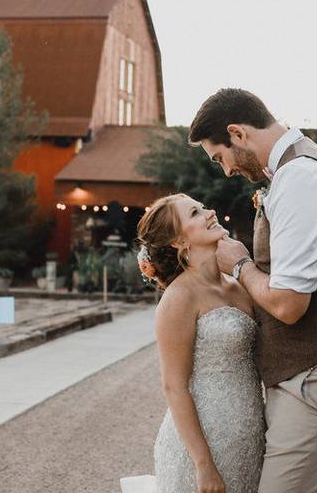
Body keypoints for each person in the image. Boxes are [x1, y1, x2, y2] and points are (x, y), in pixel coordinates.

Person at [190, 88, 317, 493]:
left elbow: (289, 304)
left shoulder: (300, 177)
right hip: (306, 376)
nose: (226, 172)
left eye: (219, 158)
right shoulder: (291, 172)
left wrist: (239, 264)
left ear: (237, 133)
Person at [121, 193, 265, 493]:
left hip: (250, 437)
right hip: (203, 446)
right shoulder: (179, 297)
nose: (210, 212)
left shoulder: (238, 285)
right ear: (179, 241)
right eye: (196, 213)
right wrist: (203, 464)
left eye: (203, 207)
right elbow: (174, 386)